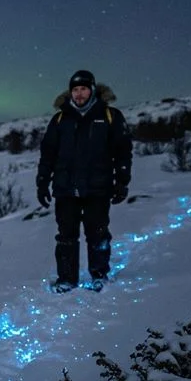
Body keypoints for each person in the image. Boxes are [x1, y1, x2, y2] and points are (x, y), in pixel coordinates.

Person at [35, 70, 134, 293]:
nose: (79, 94)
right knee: (66, 237)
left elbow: (123, 151)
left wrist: (122, 181)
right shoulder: (60, 119)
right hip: (65, 189)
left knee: (98, 234)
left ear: (92, 90)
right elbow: (48, 153)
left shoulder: (110, 116)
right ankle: (66, 279)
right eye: (75, 89)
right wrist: (42, 182)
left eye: (84, 89)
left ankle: (99, 275)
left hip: (98, 188)